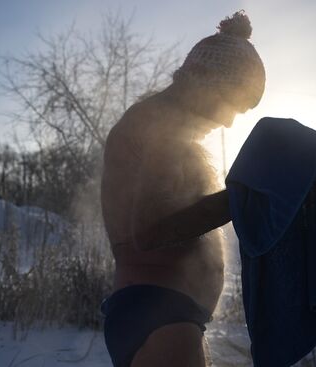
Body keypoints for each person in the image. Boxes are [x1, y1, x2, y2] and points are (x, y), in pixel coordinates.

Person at [100, 11, 265, 367]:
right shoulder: (161, 128)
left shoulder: (162, 127)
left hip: (166, 315)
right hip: (159, 315)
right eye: (230, 105)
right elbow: (150, 229)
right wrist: (244, 195)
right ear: (204, 83)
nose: (227, 120)